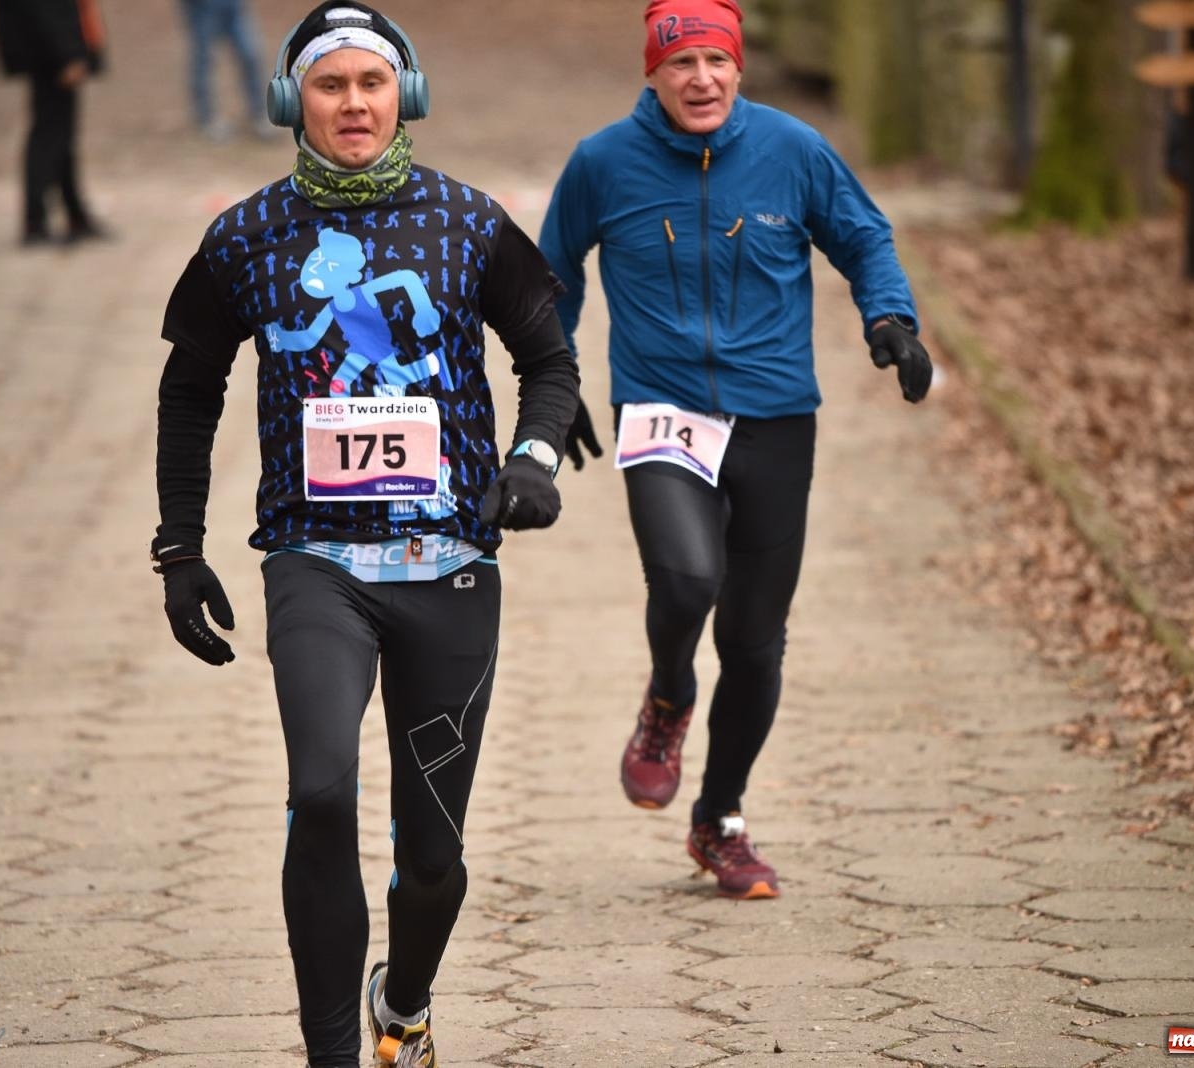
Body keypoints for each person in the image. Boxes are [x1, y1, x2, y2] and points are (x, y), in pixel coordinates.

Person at [151, 3, 579, 1064]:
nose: (353, 103)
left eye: (371, 83)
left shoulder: (467, 222)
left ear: (406, 95)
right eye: (330, 84)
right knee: (320, 792)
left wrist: (531, 457)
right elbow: (190, 388)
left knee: (431, 857)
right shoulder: (246, 236)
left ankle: (406, 1000)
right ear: (290, 100)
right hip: (315, 566)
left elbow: (549, 358)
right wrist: (180, 548)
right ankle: (332, 1054)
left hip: (450, 569)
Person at [538, 0, 932, 901]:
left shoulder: (793, 150)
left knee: (755, 643)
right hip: (660, 408)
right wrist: (555, 384)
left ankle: (720, 818)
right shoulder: (603, 161)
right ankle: (669, 695)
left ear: (739, 67)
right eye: (681, 64)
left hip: (776, 417)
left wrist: (890, 318)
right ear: (653, 74)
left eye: (716, 61)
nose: (701, 79)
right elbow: (551, 274)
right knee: (685, 582)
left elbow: (863, 235)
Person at [0, 0, 111, 245]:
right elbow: (44, 8)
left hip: (50, 52)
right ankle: (35, 222)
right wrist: (67, 55)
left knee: (62, 138)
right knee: (48, 137)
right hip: (50, 57)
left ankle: (74, 214)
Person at [178, 0, 275, 141]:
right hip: (202, 7)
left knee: (250, 55)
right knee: (203, 59)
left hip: (233, 5)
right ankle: (206, 118)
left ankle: (260, 113)